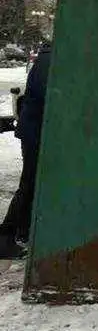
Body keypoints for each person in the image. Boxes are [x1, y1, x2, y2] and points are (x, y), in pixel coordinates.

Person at [0, 41, 52, 260]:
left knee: (33, 183)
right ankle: (5, 237)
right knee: (29, 184)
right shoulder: (50, 59)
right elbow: (48, 92)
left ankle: (22, 231)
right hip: (35, 132)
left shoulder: (49, 56)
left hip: (37, 130)